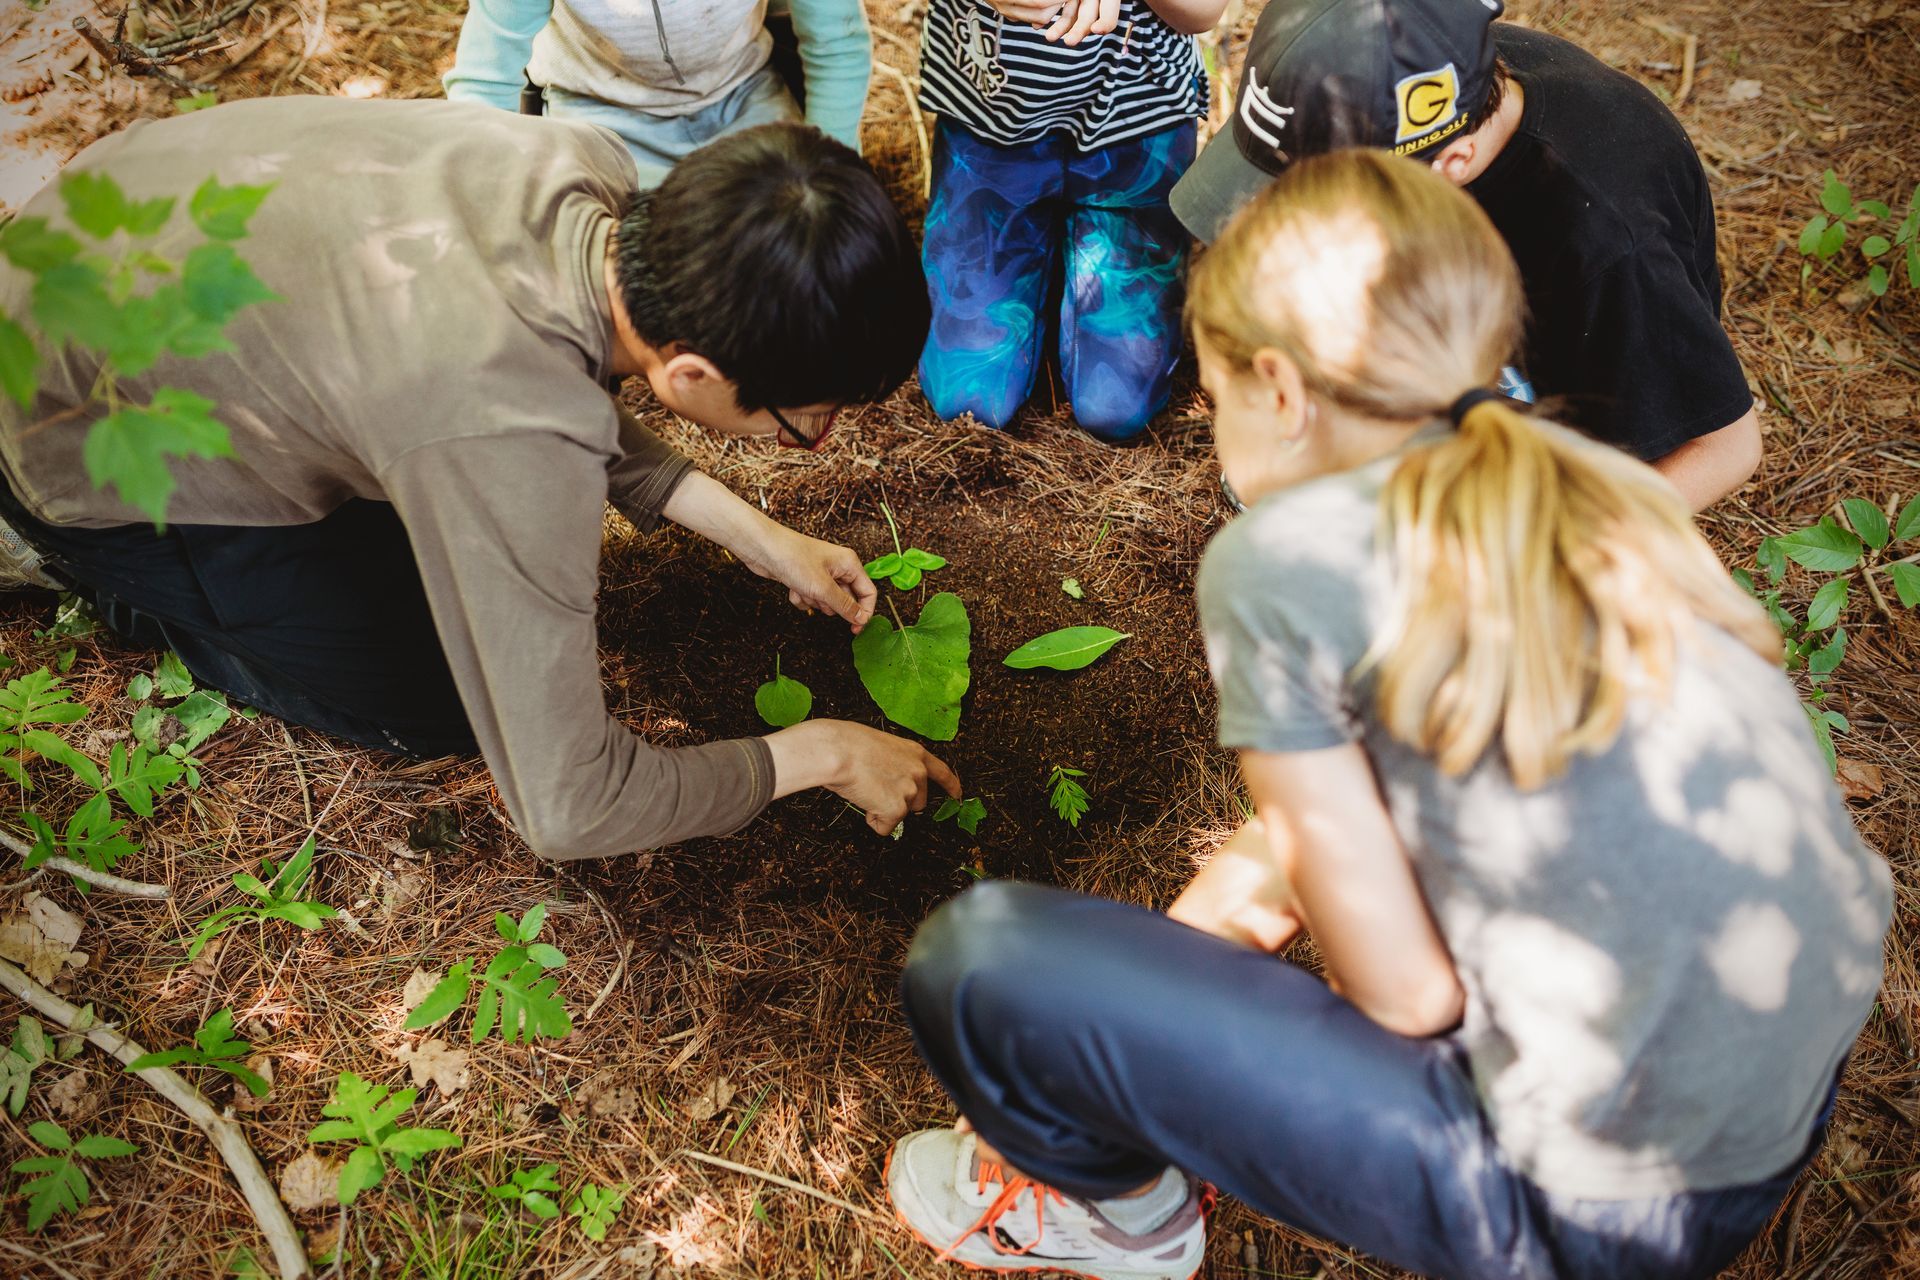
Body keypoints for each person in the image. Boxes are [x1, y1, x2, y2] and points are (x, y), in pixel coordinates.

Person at [884, 151, 1890, 1280]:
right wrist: (1141, 1025)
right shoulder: (1566, 475)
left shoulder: (1278, 565)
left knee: (977, 967)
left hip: (1591, 1203)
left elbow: (1409, 994)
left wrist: (1088, 1054)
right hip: (1780, 1092)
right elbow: (1336, 838)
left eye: (1212, 400)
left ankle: (1125, 1220)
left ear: (1281, 388)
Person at [0, 98, 960, 860]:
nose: (820, 439)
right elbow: (572, 807)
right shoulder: (497, 432)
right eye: (808, 421)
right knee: (446, 700)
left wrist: (757, 535)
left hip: (98, 247)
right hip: (70, 439)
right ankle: (76, 565)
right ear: (692, 375)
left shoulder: (584, 169)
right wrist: (824, 755)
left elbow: (551, 357)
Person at [1170, 0, 1762, 511]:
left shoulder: (1607, 245)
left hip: (1554, 394)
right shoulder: (1413, 79)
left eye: (1319, 196)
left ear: (1451, 166)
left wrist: (1561, 549)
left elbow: (1727, 448)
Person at [913, 0, 1223, 442]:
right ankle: (1053, 273)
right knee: (968, 400)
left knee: (1115, 408)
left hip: (1136, 123)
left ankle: (1063, 271)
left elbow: (1203, 10)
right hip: (988, 116)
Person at [444, 0, 872, 187]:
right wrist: (475, 193)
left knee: (786, 249)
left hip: (742, 96)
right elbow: (486, 82)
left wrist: (830, 170)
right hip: (600, 115)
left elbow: (837, 42)